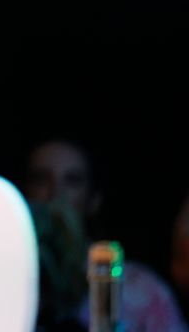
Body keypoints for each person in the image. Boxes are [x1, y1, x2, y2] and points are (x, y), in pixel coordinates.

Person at [22, 139, 188, 332]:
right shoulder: (1, 280)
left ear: (94, 200)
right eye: (41, 179)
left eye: (73, 181)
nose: (56, 194)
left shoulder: (142, 290)